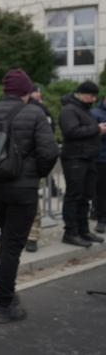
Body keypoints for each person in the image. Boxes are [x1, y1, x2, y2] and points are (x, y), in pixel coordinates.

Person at [0, 69, 58, 324]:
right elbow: (49, 152)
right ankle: (4, 304)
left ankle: (7, 292)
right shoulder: (36, 113)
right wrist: (35, 174)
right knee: (12, 246)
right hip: (24, 190)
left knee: (8, 241)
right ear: (27, 92)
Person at [59, 81, 106, 247]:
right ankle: (70, 232)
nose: (93, 99)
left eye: (95, 96)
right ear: (82, 93)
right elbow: (71, 132)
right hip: (75, 158)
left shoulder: (84, 109)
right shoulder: (69, 110)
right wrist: (97, 129)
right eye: (91, 95)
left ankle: (83, 230)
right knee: (75, 195)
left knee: (86, 196)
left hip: (88, 158)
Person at [25, 84, 56, 252]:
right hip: (20, 167)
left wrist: (41, 168)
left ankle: (32, 235)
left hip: (32, 166)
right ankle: (27, 234)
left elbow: (48, 141)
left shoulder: (40, 111)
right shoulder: (17, 108)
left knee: (32, 203)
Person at [91, 94, 106, 234]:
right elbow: (90, 134)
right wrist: (100, 131)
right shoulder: (95, 113)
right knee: (101, 190)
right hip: (101, 158)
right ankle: (101, 219)